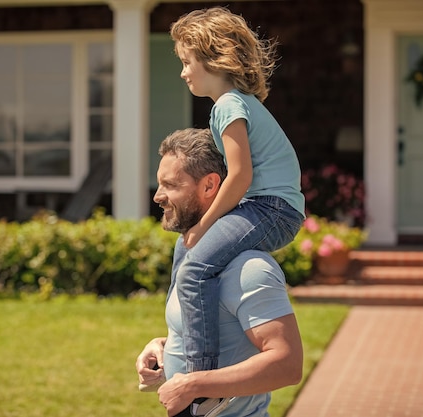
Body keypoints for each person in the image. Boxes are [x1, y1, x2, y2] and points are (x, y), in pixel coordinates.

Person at [167, 6, 306, 414]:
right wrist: (192, 235)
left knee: (194, 269)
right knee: (184, 253)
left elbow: (240, 176)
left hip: (271, 209)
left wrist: (204, 226)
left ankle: (204, 385)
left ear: (210, 58)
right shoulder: (231, 103)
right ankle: (176, 344)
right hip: (265, 206)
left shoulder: (228, 104)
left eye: (186, 62)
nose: (183, 72)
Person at [136, 128, 304, 417]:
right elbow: (217, 336)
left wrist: (194, 384)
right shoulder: (191, 254)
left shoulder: (249, 269)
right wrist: (164, 347)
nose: (158, 196)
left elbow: (286, 364)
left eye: (170, 185)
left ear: (209, 186)